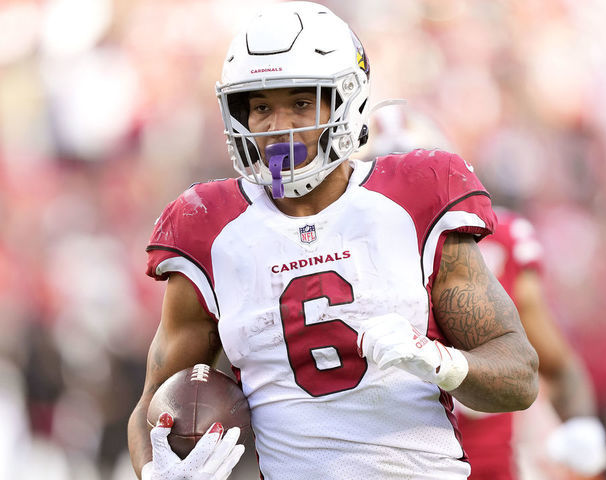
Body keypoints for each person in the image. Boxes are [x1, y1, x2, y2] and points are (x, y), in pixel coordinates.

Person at [127, 2, 539, 479]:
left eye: (301, 103)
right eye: (261, 106)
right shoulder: (207, 228)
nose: (279, 126)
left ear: (347, 100)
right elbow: (151, 408)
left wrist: (437, 361)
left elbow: (519, 378)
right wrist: (156, 475)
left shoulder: (415, 197)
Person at [455, 207, 606, 480]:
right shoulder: (371, 233)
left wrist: (582, 425)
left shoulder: (501, 237)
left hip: (493, 460)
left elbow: (556, 364)